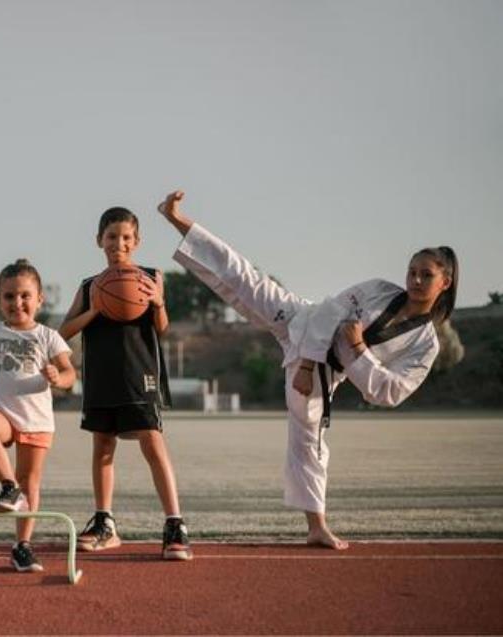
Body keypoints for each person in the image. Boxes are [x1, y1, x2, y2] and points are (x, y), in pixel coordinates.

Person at [157, 189, 458, 549]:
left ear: (445, 283)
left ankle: (317, 527)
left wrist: (359, 348)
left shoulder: (424, 343)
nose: (416, 280)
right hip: (302, 322)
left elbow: (389, 392)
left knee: (310, 442)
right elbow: (331, 311)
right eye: (412, 271)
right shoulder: (379, 289)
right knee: (244, 278)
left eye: (426, 275)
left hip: (325, 372)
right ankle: (176, 218)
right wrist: (307, 362)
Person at [60, 207, 193, 561]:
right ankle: (105, 522)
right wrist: (95, 309)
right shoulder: (90, 286)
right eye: (111, 236)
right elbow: (64, 332)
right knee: (103, 447)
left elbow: (161, 328)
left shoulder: (151, 276)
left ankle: (174, 523)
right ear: (99, 240)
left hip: (140, 374)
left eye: (126, 237)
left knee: (153, 443)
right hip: (101, 376)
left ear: (137, 241)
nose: (119, 243)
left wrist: (159, 303)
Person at [0, 259, 76, 572]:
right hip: (2, 413)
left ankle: (23, 546)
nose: (18, 303)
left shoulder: (48, 336)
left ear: (40, 299)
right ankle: (7, 486)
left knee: (31, 480)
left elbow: (71, 373)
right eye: (9, 296)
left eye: (25, 296)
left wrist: (59, 377)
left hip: (36, 419)